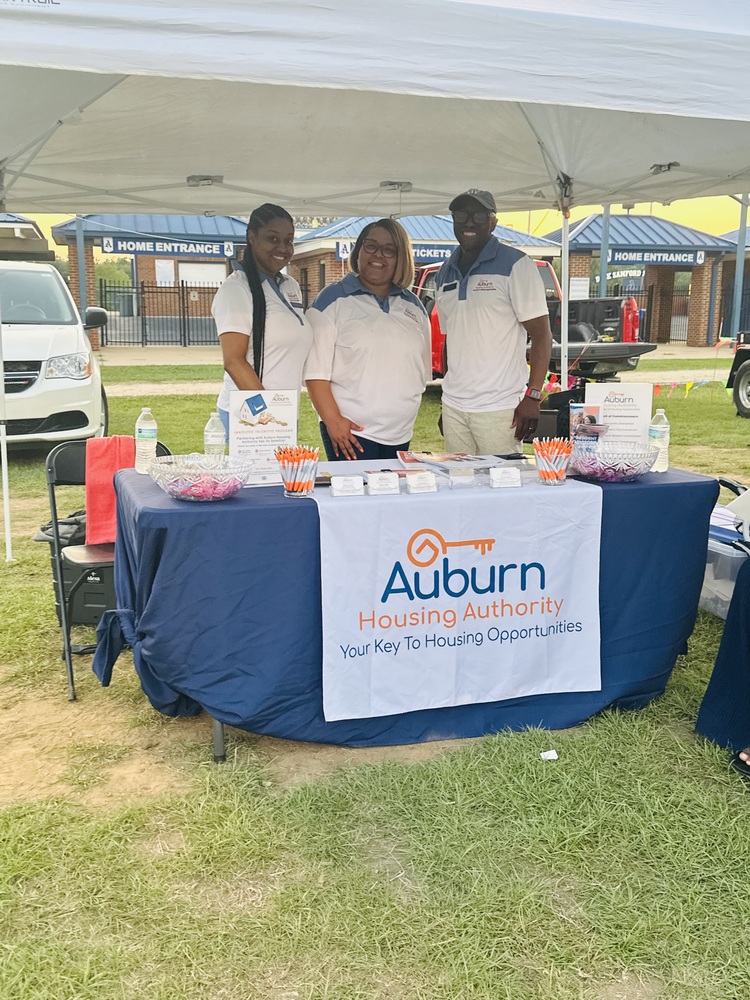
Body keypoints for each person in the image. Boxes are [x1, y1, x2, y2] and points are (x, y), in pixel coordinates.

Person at [434, 189, 552, 455]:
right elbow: (450, 339)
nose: (469, 222)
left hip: (500, 408)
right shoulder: (444, 272)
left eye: (479, 215)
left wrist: (533, 395)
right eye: (462, 214)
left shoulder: (516, 264)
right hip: (455, 406)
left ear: (493, 221)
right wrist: (447, 401)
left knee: (504, 489)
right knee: (460, 487)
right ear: (453, 220)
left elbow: (542, 335)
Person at [305, 219, 431, 460]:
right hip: (351, 434)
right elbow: (315, 375)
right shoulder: (330, 301)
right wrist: (334, 422)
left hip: (400, 434)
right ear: (359, 249)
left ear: (401, 257)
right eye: (371, 246)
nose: (378, 255)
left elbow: (421, 374)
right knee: (355, 496)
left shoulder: (414, 306)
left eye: (389, 250)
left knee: (392, 497)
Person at [211, 204, 313, 435]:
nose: (282, 247)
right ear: (252, 237)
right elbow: (234, 361)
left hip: (282, 413)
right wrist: (267, 413)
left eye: (288, 240)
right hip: (253, 414)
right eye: (273, 238)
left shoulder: (290, 287)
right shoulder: (236, 289)